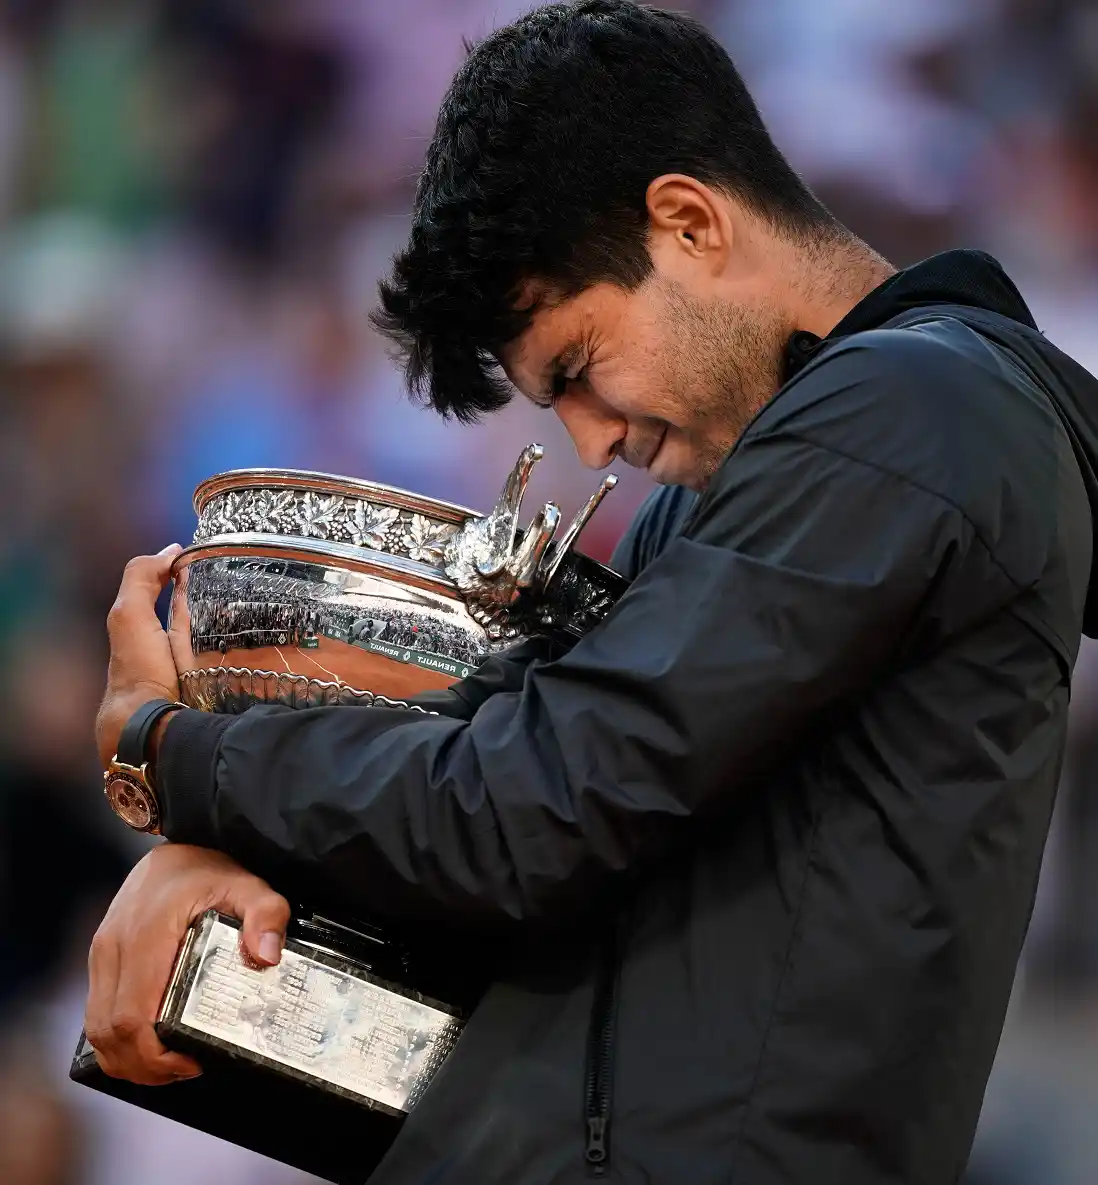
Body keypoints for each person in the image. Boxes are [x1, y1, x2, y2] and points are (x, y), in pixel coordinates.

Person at [85, 3, 1098, 1183]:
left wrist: (173, 758)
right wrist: (216, 854)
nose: (594, 440)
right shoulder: (752, 468)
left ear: (689, 221)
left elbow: (529, 807)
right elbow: (503, 764)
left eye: (578, 368)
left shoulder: (909, 418)